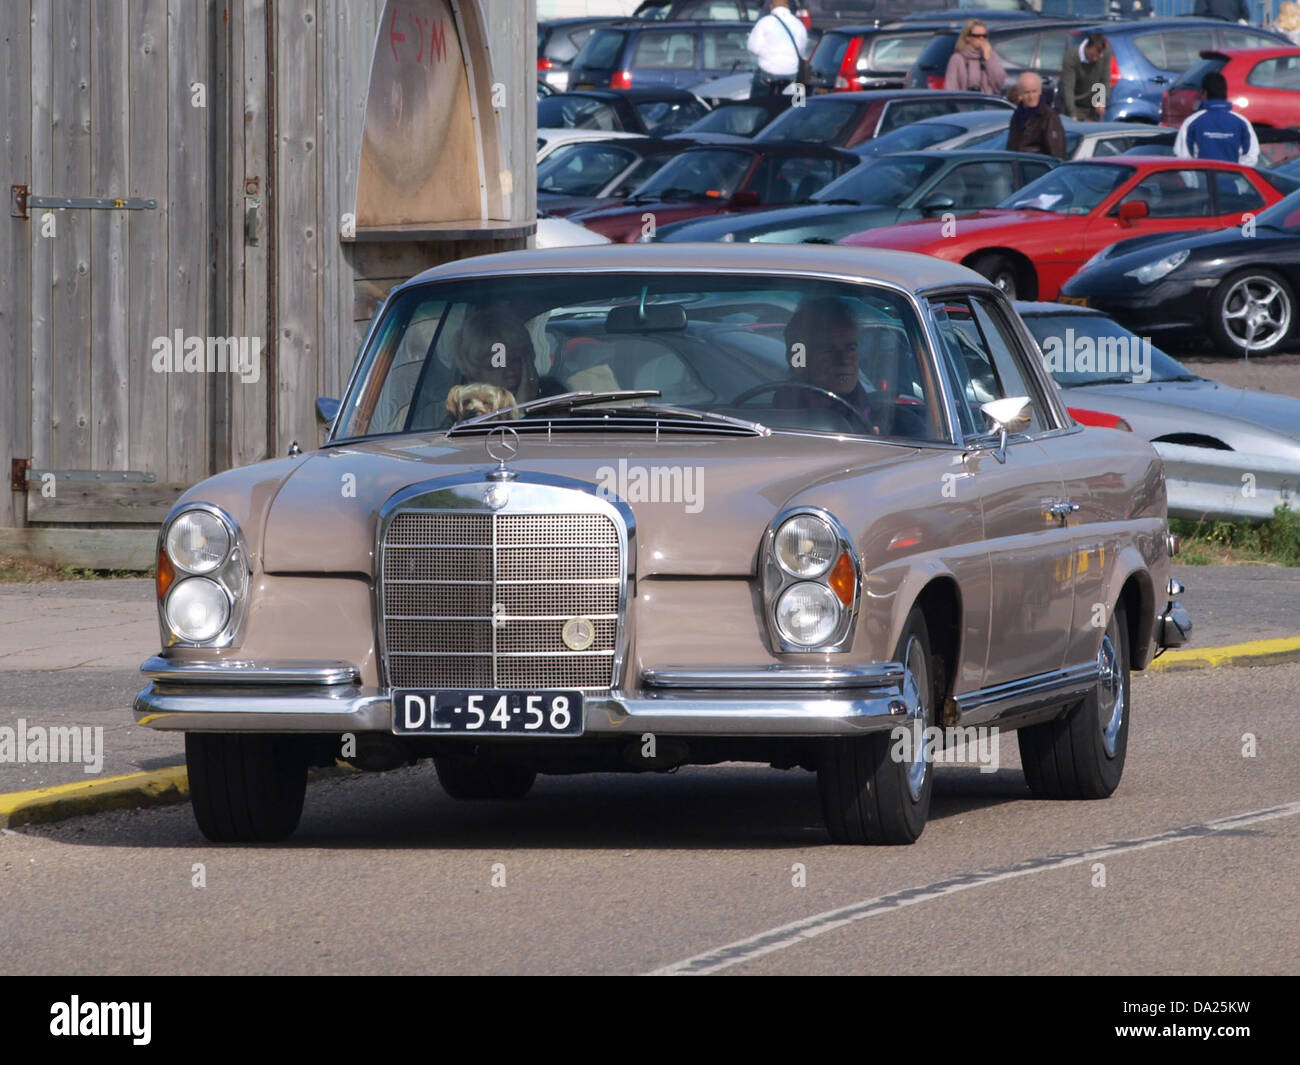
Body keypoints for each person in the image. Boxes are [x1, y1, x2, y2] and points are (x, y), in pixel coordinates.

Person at [777, 297, 930, 439]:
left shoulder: (900, 427)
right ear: (798, 357)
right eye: (827, 350)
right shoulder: (768, 421)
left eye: (851, 348)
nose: (843, 360)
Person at [1173, 70, 1259, 166]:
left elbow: (1182, 157)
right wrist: (1235, 175)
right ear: (1225, 93)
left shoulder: (1192, 122)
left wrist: (1196, 179)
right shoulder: (1242, 122)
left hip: (1202, 179)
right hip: (1232, 178)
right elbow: (1251, 156)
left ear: (1204, 93)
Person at [746, 0, 807, 100]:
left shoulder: (765, 22)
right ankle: (793, 109)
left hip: (768, 72)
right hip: (792, 73)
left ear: (771, 7)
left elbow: (753, 48)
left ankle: (757, 107)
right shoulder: (799, 24)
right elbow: (801, 50)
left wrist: (767, 54)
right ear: (788, 6)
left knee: (757, 103)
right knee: (795, 101)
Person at [1007, 73, 1068, 159]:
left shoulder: (1048, 117)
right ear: (1020, 94)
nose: (1031, 96)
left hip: (1037, 169)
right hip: (1017, 168)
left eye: (1034, 91)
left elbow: (1057, 155)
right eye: (1027, 92)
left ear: (1040, 91)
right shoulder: (1017, 115)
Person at [943, 20, 1007, 96]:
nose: (981, 39)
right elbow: (950, 88)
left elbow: (999, 83)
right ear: (968, 37)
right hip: (965, 104)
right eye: (977, 36)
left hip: (987, 103)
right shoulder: (957, 59)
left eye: (984, 36)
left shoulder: (990, 56)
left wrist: (988, 59)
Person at [1060, 31, 1112, 121]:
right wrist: (1072, 114)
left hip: (1093, 106)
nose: (1095, 59)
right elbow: (1068, 88)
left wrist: (1101, 101)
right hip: (1075, 104)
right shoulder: (1072, 56)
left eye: (1098, 56)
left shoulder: (1105, 53)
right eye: (1093, 55)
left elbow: (1105, 80)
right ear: (1087, 47)